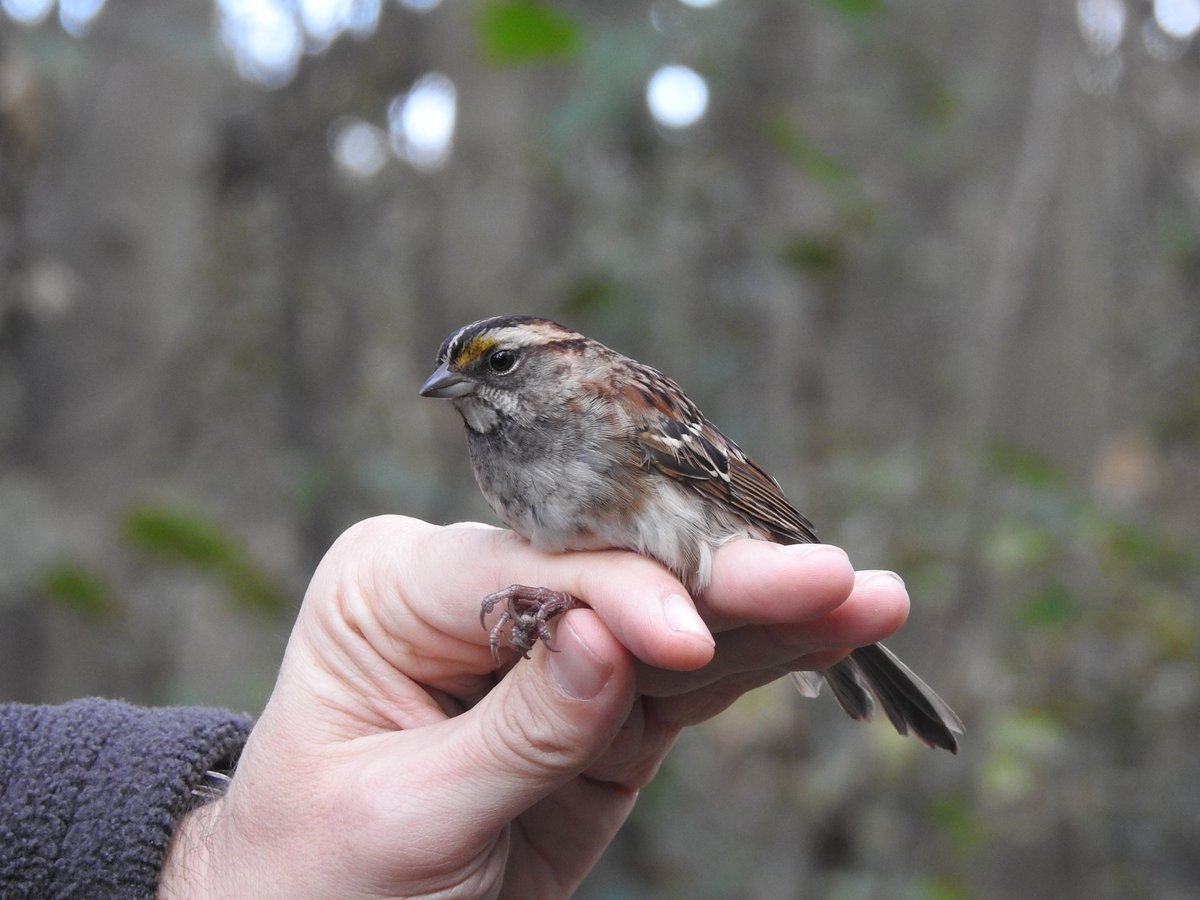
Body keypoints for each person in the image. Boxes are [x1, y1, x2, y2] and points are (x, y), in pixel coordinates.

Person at [0, 515, 912, 898]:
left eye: (501, 367)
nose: (460, 390)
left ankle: (844, 654)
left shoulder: (610, 410)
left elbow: (712, 483)